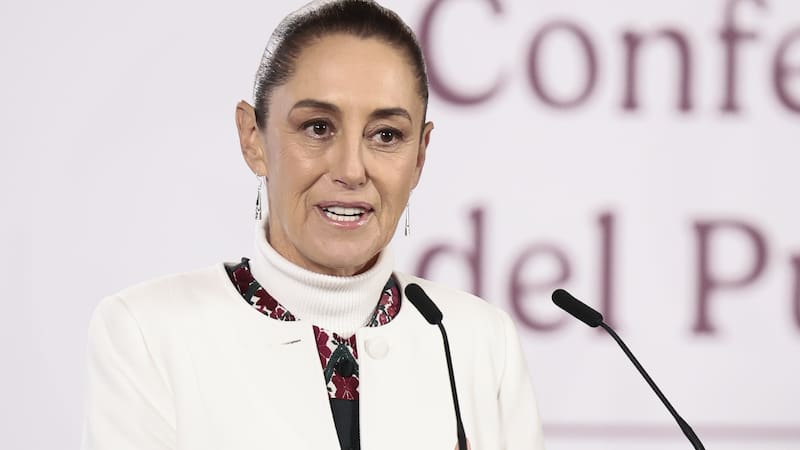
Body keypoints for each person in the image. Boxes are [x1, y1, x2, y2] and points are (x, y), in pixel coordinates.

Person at [80, 1, 545, 449]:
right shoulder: (148, 332)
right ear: (252, 138)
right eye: (318, 127)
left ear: (420, 155)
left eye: (386, 135)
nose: (351, 169)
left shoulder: (481, 343)